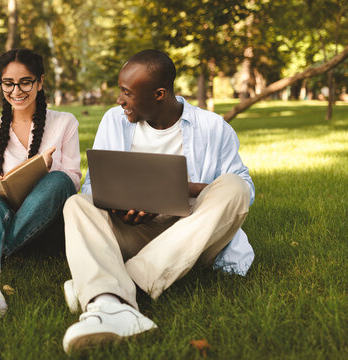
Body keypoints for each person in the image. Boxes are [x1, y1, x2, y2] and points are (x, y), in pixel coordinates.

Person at [60, 50, 255, 352]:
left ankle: (118, 289)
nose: (119, 100)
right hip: (134, 231)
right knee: (77, 204)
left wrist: (181, 189)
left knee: (234, 186)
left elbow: (245, 192)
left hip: (191, 234)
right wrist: (118, 206)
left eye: (126, 92)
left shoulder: (213, 127)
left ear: (159, 94)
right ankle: (111, 306)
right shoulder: (114, 121)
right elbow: (91, 186)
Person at [0, 49, 81, 334]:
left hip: (50, 226)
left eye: (25, 82)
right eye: (8, 83)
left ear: (40, 82)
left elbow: (72, 184)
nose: (16, 90)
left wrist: (41, 172)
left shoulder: (65, 123)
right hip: (8, 217)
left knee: (59, 180)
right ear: (1, 85)